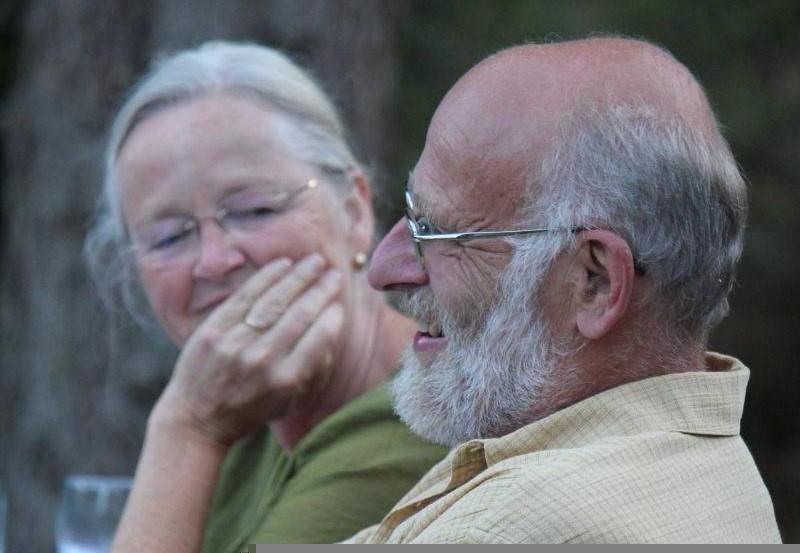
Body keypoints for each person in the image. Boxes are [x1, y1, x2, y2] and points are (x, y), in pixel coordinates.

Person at [355, 37, 782, 543]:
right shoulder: (706, 458)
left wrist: (231, 431)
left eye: (435, 231)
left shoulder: (504, 529)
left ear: (595, 282)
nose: (384, 267)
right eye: (409, 209)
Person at [84, 41, 446, 551]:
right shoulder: (245, 401)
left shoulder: (411, 425)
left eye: (255, 210)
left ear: (355, 212)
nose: (214, 260)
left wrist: (185, 427)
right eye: (169, 236)